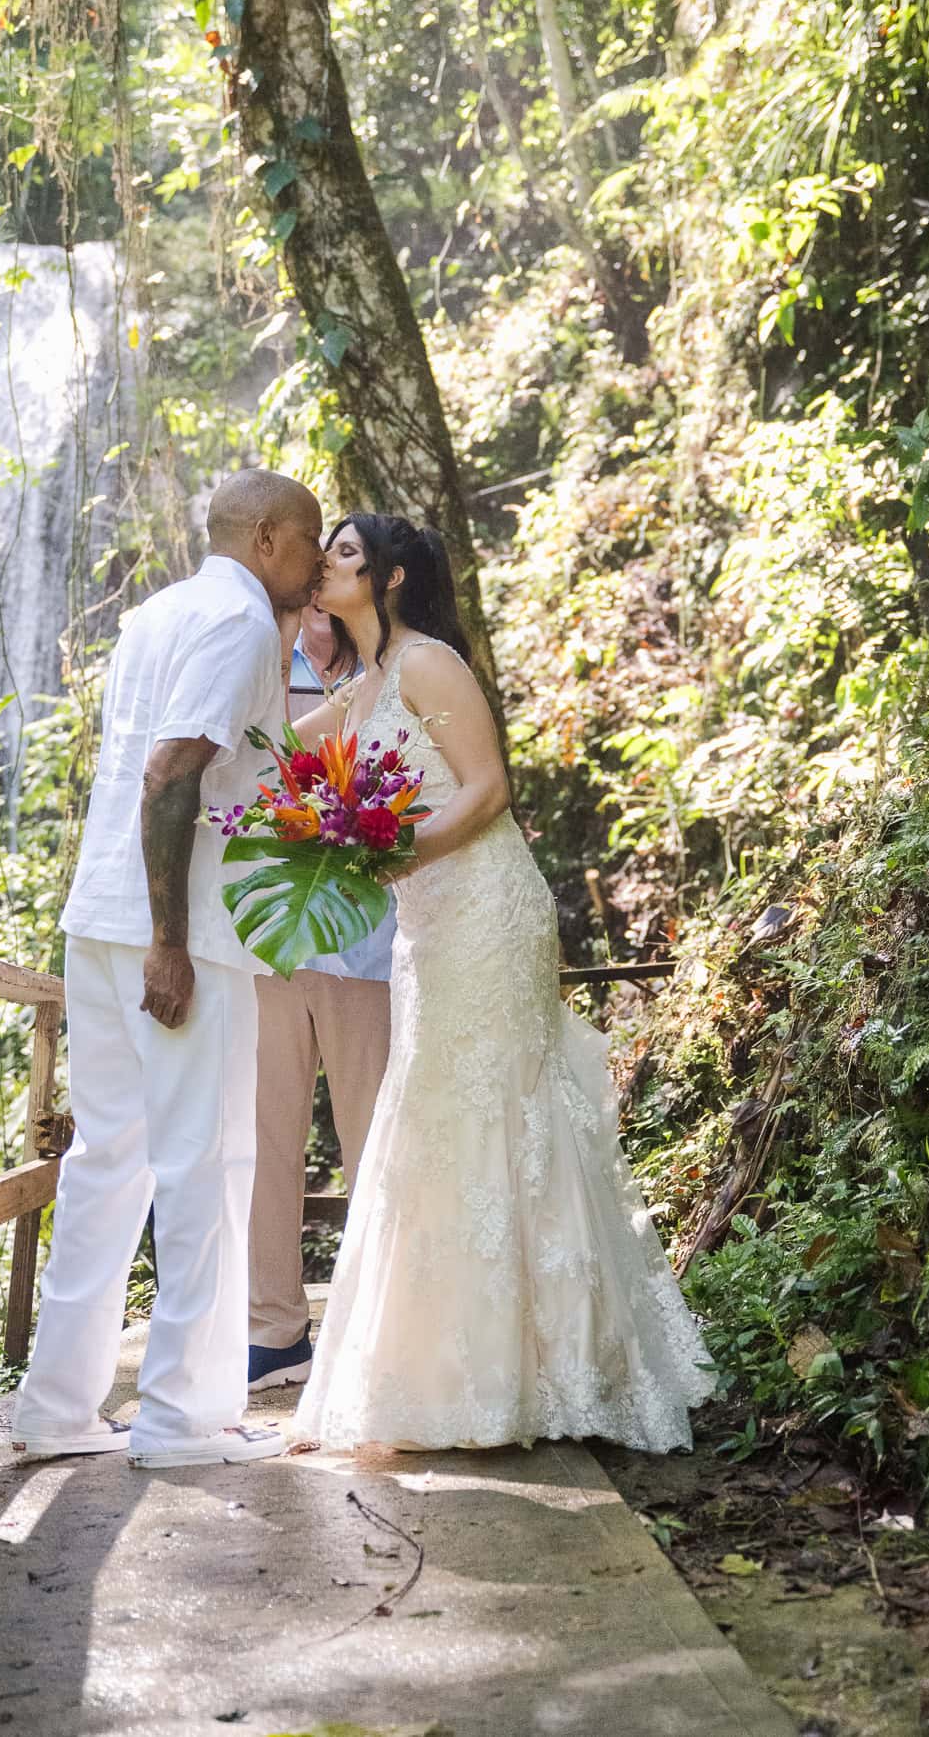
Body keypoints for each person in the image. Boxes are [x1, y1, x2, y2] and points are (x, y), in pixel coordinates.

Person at [291, 514, 714, 1452]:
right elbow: (274, 744)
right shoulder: (360, 686)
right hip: (425, 926)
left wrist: (394, 850)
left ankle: (560, 1368)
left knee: (501, 1107)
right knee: (435, 1114)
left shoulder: (429, 663)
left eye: (347, 553)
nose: (328, 562)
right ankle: (450, 1374)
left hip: (486, 909)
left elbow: (488, 790)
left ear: (393, 578)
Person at [11, 469, 325, 1469]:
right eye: (311, 542)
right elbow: (171, 771)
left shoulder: (158, 612)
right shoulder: (237, 624)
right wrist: (171, 941)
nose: (318, 565)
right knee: (206, 1162)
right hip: (173, 931)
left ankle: (56, 1409)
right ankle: (185, 1424)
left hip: (98, 916)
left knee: (109, 1160)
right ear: (269, 536)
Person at [247, 601, 394, 1393]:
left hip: (368, 943)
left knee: (374, 1137)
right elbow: (241, 771)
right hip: (272, 940)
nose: (319, 600)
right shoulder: (264, 664)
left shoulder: (400, 668)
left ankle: (378, 1324)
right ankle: (272, 1331)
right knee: (266, 1137)